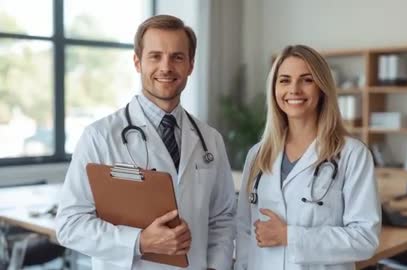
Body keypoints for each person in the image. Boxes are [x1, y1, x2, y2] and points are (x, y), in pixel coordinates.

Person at [56, 15, 235, 270]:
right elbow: (69, 225)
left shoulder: (210, 140)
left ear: (191, 65)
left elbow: (222, 218)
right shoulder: (100, 136)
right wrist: (139, 242)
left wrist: (216, 267)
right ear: (137, 62)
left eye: (177, 57)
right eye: (155, 56)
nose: (166, 67)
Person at [234, 45, 380, 270]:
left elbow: (365, 239)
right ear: (274, 89)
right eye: (284, 80)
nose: (294, 89)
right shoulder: (258, 154)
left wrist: (290, 236)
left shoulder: (352, 154)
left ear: (322, 88)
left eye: (306, 80)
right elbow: (243, 230)